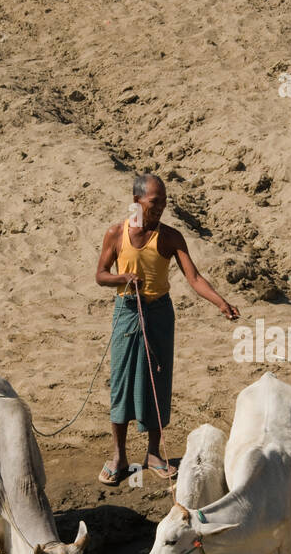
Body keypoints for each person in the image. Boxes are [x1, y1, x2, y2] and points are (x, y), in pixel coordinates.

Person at [95, 174, 239, 484]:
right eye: (154, 202)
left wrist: (221, 303)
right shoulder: (115, 234)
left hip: (159, 313)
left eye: (163, 201)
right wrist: (123, 278)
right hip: (127, 312)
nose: (160, 207)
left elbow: (195, 278)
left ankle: (154, 454)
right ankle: (119, 455)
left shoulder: (171, 237)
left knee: (157, 379)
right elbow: (101, 275)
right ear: (137, 202)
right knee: (121, 381)